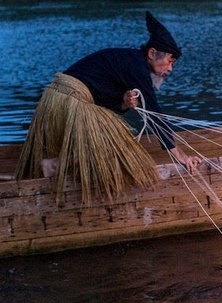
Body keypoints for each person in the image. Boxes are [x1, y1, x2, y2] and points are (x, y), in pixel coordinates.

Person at [15, 11, 200, 204]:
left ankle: (54, 167)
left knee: (108, 142)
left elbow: (103, 102)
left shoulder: (129, 62)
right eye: (170, 61)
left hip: (58, 99)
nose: (170, 69)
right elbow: (154, 114)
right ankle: (53, 167)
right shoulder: (137, 66)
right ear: (152, 53)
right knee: (118, 150)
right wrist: (180, 156)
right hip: (68, 101)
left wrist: (123, 103)